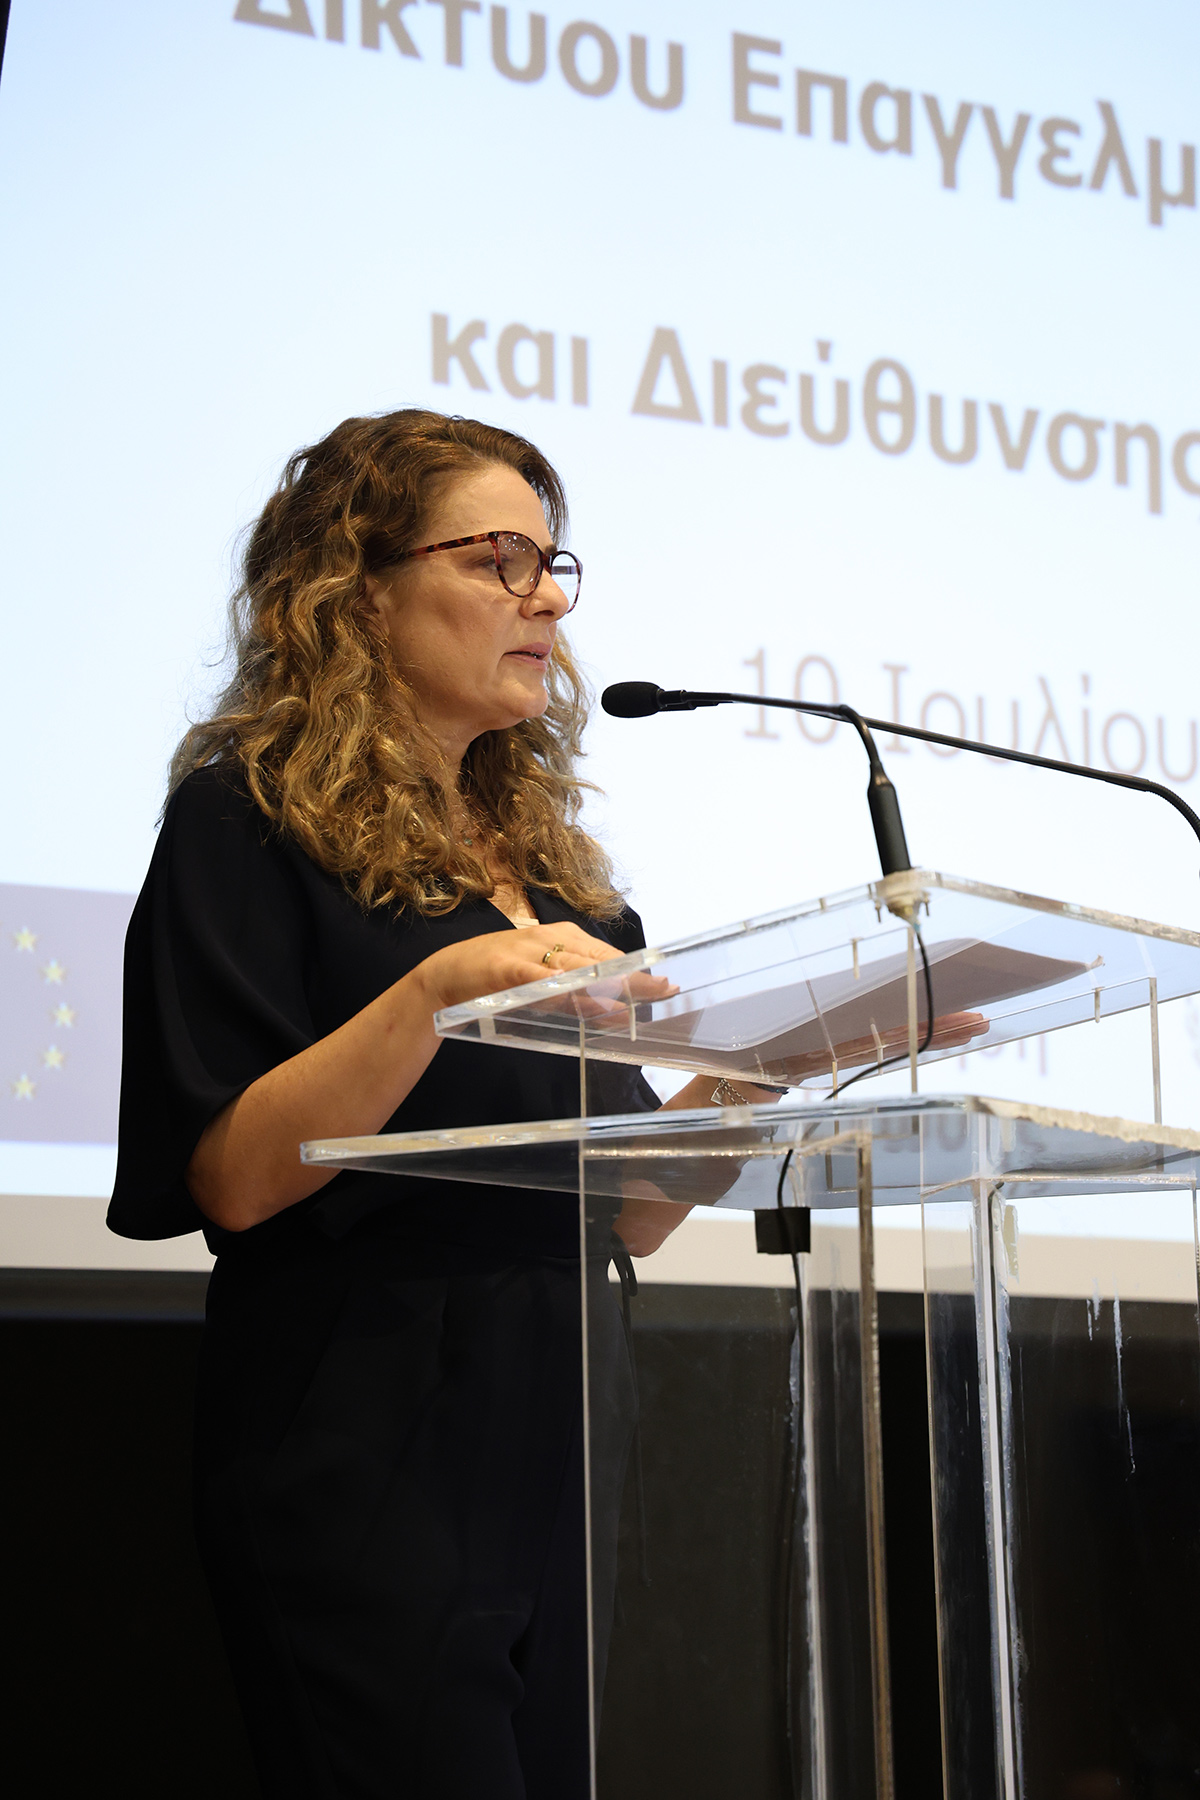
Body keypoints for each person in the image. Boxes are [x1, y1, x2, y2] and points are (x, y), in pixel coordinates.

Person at [107, 409, 779, 1800]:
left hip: (558, 1437)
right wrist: (436, 992)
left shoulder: (571, 890)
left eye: (552, 563)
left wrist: (769, 1069)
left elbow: (627, 1211)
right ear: (355, 590)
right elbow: (231, 1173)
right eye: (497, 559)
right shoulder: (248, 823)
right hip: (365, 1441)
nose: (547, 599)